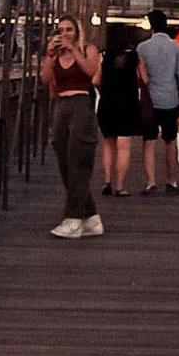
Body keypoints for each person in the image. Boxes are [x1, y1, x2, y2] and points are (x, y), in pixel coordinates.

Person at [42, 15, 102, 239]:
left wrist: (74, 49)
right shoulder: (57, 54)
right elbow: (46, 79)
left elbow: (90, 72)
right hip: (61, 105)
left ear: (77, 31)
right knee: (64, 159)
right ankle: (92, 217)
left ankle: (74, 217)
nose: (64, 33)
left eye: (69, 29)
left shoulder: (88, 49)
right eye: (60, 30)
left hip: (81, 104)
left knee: (79, 159)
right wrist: (50, 55)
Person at [135, 9, 179, 195]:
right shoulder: (177, 48)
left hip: (150, 100)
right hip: (170, 100)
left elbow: (140, 77)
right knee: (170, 140)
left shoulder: (142, 48)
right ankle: (172, 181)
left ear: (151, 25)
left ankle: (151, 182)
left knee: (149, 141)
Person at [94, 44, 143, 197]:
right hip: (128, 105)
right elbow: (144, 79)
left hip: (107, 104)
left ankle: (107, 181)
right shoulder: (135, 57)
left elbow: (95, 80)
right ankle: (120, 186)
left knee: (108, 144)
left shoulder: (103, 56)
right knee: (124, 147)